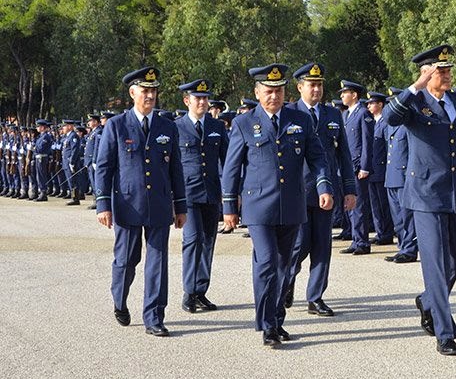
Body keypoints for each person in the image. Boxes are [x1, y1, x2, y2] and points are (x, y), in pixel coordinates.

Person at [382, 44, 456, 356]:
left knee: (455, 262)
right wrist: (415, 88)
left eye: (448, 70)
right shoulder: (413, 102)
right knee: (434, 263)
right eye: (440, 70)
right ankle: (445, 333)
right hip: (425, 194)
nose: (446, 75)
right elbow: (390, 119)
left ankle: (428, 300)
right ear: (426, 73)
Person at [221, 63, 333, 347]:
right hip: (258, 207)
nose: (274, 96)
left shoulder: (300, 120)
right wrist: (229, 208)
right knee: (268, 262)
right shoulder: (244, 123)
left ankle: (276, 318)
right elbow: (232, 168)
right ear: (257, 93)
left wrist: (323, 186)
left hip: (292, 204)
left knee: (284, 265)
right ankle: (268, 324)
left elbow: (318, 158)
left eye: (279, 91)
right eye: (269, 91)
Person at [94, 66, 187, 336]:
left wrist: (180, 206)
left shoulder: (167, 126)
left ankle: (154, 316)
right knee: (126, 260)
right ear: (132, 92)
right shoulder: (117, 125)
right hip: (128, 204)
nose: (150, 95)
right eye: (145, 90)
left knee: (157, 262)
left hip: (158, 204)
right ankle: (119, 300)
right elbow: (104, 167)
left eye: (154, 90)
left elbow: (175, 169)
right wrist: (103, 204)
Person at [284, 62, 357, 315]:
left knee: (322, 246)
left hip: (326, 192)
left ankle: (315, 297)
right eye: (311, 85)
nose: (316, 90)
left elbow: (343, 155)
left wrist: (350, 189)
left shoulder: (332, 115)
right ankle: (287, 280)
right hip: (297, 190)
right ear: (300, 87)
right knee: (298, 245)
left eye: (319, 85)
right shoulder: (289, 112)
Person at [175, 79, 229, 314]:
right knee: (193, 240)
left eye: (206, 98)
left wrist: (230, 194)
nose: (203, 102)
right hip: (188, 194)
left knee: (208, 242)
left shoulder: (217, 127)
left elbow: (229, 161)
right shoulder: (176, 127)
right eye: (198, 98)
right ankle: (189, 291)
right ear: (187, 101)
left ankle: (201, 291)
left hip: (211, 193)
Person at [338, 79, 374, 255]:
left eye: (345, 93)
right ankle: (355, 238)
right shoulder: (346, 115)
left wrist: (365, 167)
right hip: (348, 166)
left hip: (359, 166)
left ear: (354, 95)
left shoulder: (363, 113)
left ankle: (362, 242)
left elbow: (367, 142)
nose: (342, 96)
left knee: (359, 206)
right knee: (350, 205)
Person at [384, 86, 418, 264]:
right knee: (397, 217)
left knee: (407, 217)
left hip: (405, 176)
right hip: (392, 176)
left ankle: (410, 249)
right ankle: (402, 247)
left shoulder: (409, 125)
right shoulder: (390, 126)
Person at [366, 91, 394, 246]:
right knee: (375, 204)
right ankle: (380, 231)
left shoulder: (385, 123)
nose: (369, 106)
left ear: (380, 104)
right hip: (372, 169)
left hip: (382, 169)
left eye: (372, 103)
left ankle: (387, 233)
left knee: (384, 204)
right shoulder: (372, 122)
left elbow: (387, 148)